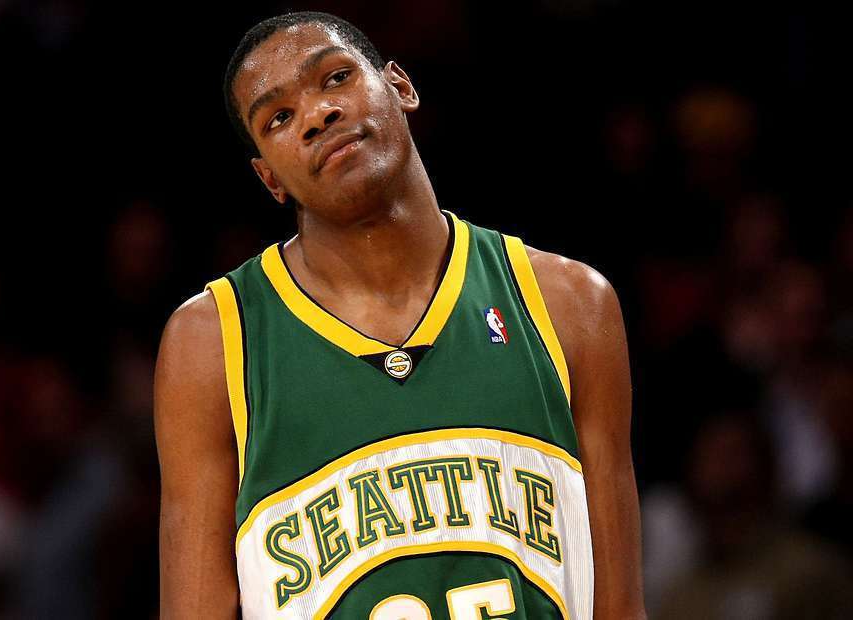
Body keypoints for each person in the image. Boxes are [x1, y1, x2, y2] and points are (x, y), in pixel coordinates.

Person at [154, 10, 645, 619]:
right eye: (278, 118)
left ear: (401, 87)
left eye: (336, 78)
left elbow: (621, 607)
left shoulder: (569, 303)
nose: (316, 115)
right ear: (269, 177)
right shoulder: (212, 341)